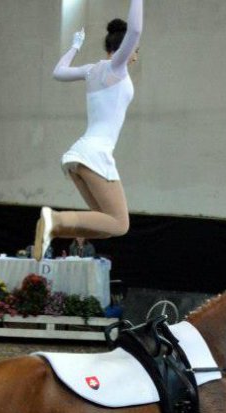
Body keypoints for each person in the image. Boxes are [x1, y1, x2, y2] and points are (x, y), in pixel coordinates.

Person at [34, 0, 143, 261]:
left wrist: (74, 46)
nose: (136, 54)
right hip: (95, 154)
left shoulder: (91, 70)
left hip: (79, 155)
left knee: (103, 228)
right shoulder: (115, 68)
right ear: (122, 48)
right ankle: (54, 219)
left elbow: (58, 72)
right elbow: (136, 30)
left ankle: (55, 228)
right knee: (120, 224)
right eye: (135, 50)